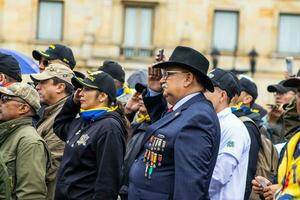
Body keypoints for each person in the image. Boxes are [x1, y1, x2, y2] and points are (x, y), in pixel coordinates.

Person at [128, 46, 221, 200]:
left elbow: (189, 188)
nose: (163, 79)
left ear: (188, 79)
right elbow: (163, 127)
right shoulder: (185, 109)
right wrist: (154, 91)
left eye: (168, 74)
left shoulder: (198, 118)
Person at [53, 71, 127, 199]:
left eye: (87, 89)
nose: (80, 93)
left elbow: (108, 181)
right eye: (81, 89)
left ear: (102, 96)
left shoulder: (109, 127)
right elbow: (59, 126)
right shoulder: (82, 121)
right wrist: (73, 102)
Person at [30, 63, 75, 200]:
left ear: (60, 87)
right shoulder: (53, 111)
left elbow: (53, 164)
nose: (37, 87)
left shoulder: (63, 116)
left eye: (43, 82)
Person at [204, 68, 251, 200]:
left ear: (222, 96)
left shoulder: (234, 127)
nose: (202, 95)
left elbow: (219, 175)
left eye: (207, 90)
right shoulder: (211, 122)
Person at [252, 77, 300, 200]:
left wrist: (279, 191)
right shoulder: (295, 139)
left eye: (283, 93)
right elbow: (286, 180)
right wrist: (269, 186)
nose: (278, 96)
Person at [0, 83, 50, 199]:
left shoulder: (30, 141)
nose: (0, 103)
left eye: (4, 99)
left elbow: (31, 194)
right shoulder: (7, 133)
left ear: (23, 108)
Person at [231, 76, 262, 199]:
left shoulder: (248, 125)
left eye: (237, 89)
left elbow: (248, 171)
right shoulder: (232, 119)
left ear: (247, 98)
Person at [120, 83, 151, 200]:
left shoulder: (157, 128)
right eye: (141, 94)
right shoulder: (138, 124)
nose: (140, 97)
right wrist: (128, 112)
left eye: (147, 94)